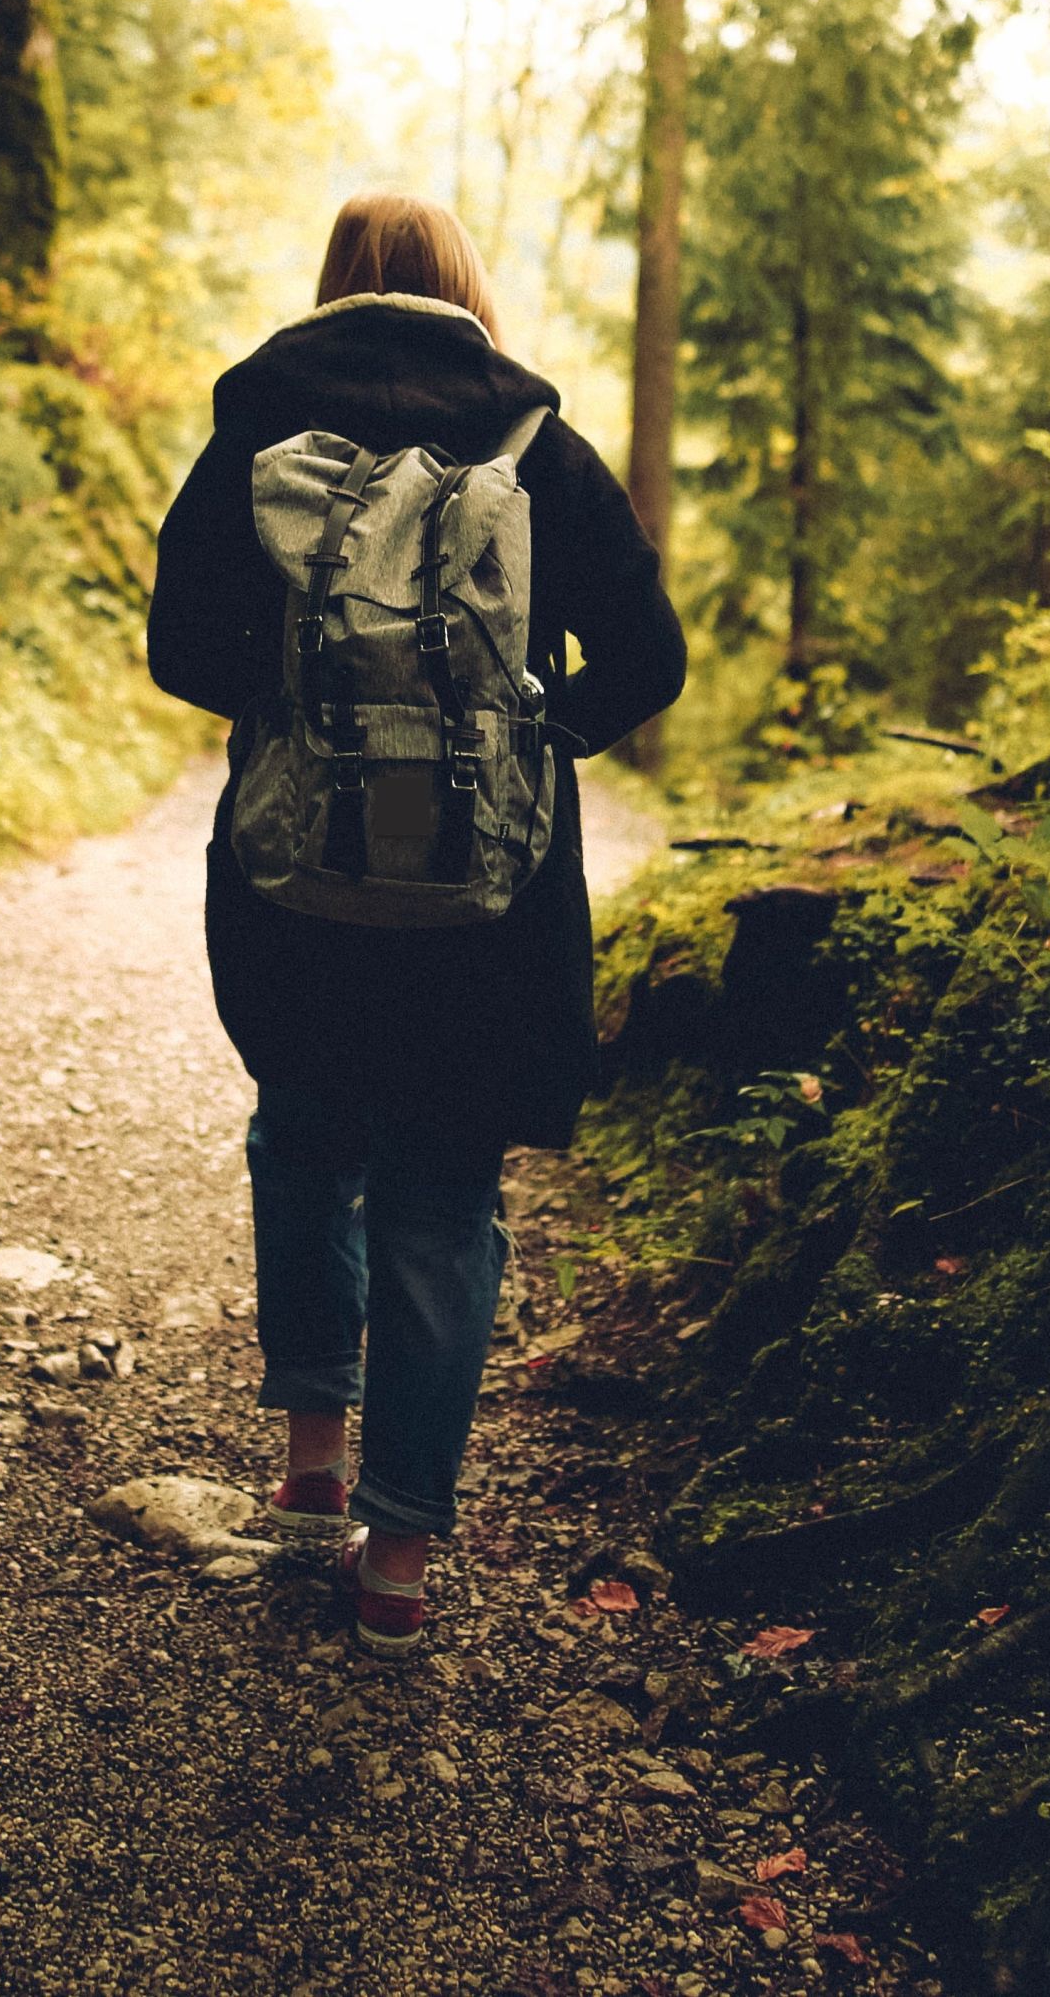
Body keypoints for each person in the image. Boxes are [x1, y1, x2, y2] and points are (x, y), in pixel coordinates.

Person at [146, 195, 686, 1656]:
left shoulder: (253, 444)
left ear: (331, 291)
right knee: (445, 1199)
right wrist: (526, 737)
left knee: (301, 1134)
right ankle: (396, 1564)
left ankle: (312, 1454)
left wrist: (306, 711)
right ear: (467, 293)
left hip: (294, 887)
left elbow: (177, 648)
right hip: (485, 910)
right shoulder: (536, 449)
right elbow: (651, 658)